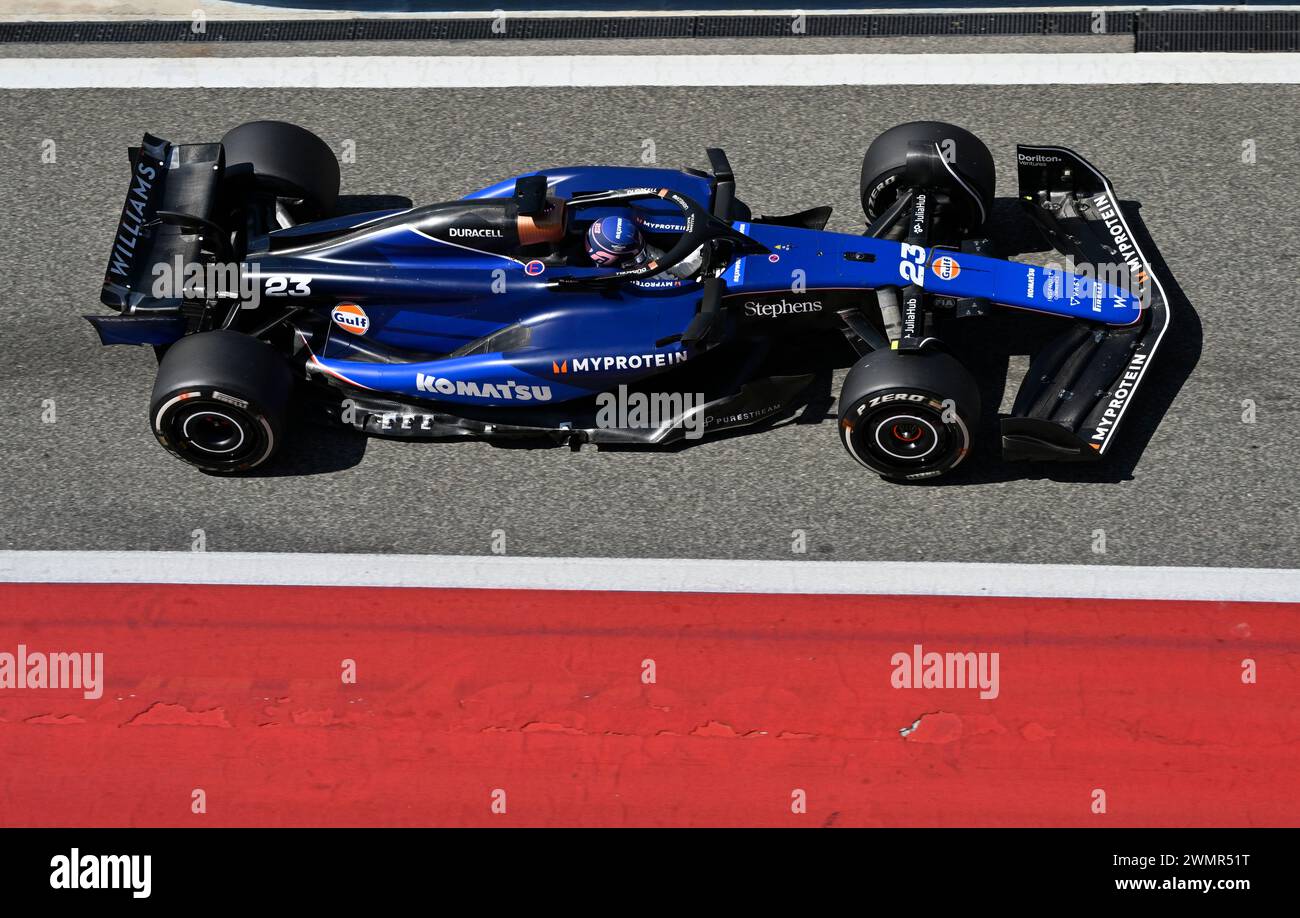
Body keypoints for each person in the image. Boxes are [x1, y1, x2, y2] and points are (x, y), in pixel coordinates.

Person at [584, 210, 703, 280]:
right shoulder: (627, 280)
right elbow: (678, 273)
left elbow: (674, 266)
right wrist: (703, 250)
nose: (644, 253)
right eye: (638, 256)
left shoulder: (634, 246)